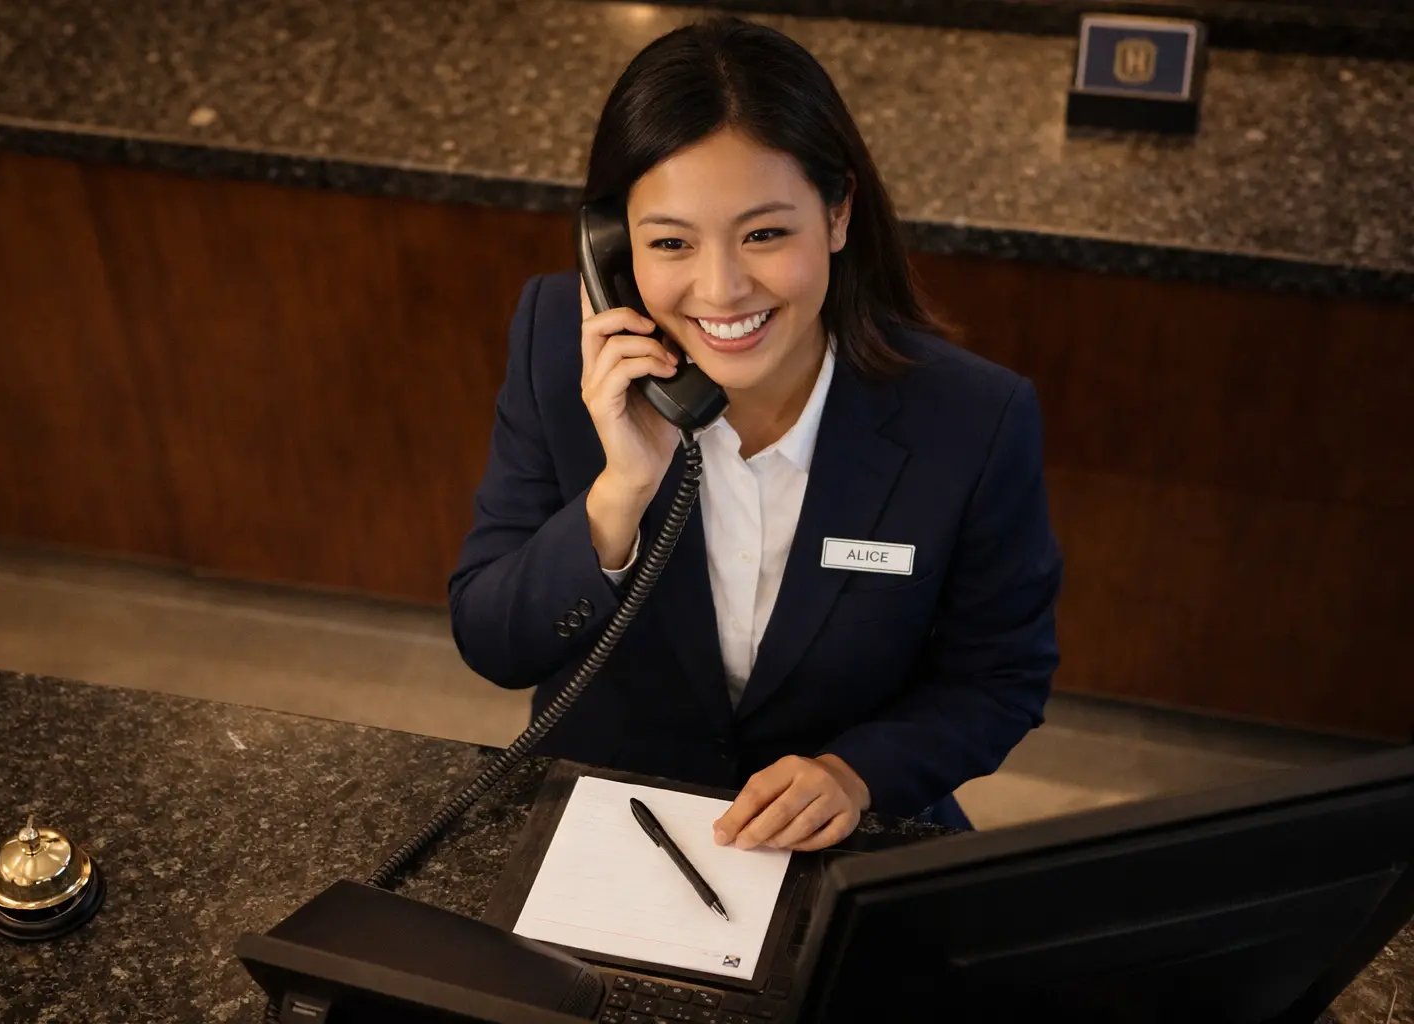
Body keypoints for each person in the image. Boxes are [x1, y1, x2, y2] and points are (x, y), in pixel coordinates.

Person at [449, 16, 1061, 850]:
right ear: (611, 246)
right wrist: (619, 491)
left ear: (838, 215)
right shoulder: (560, 344)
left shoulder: (974, 417)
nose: (722, 289)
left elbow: (1000, 677)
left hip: (842, 840)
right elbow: (493, 644)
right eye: (670, 242)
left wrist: (858, 773)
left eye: (765, 234)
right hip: (610, 827)